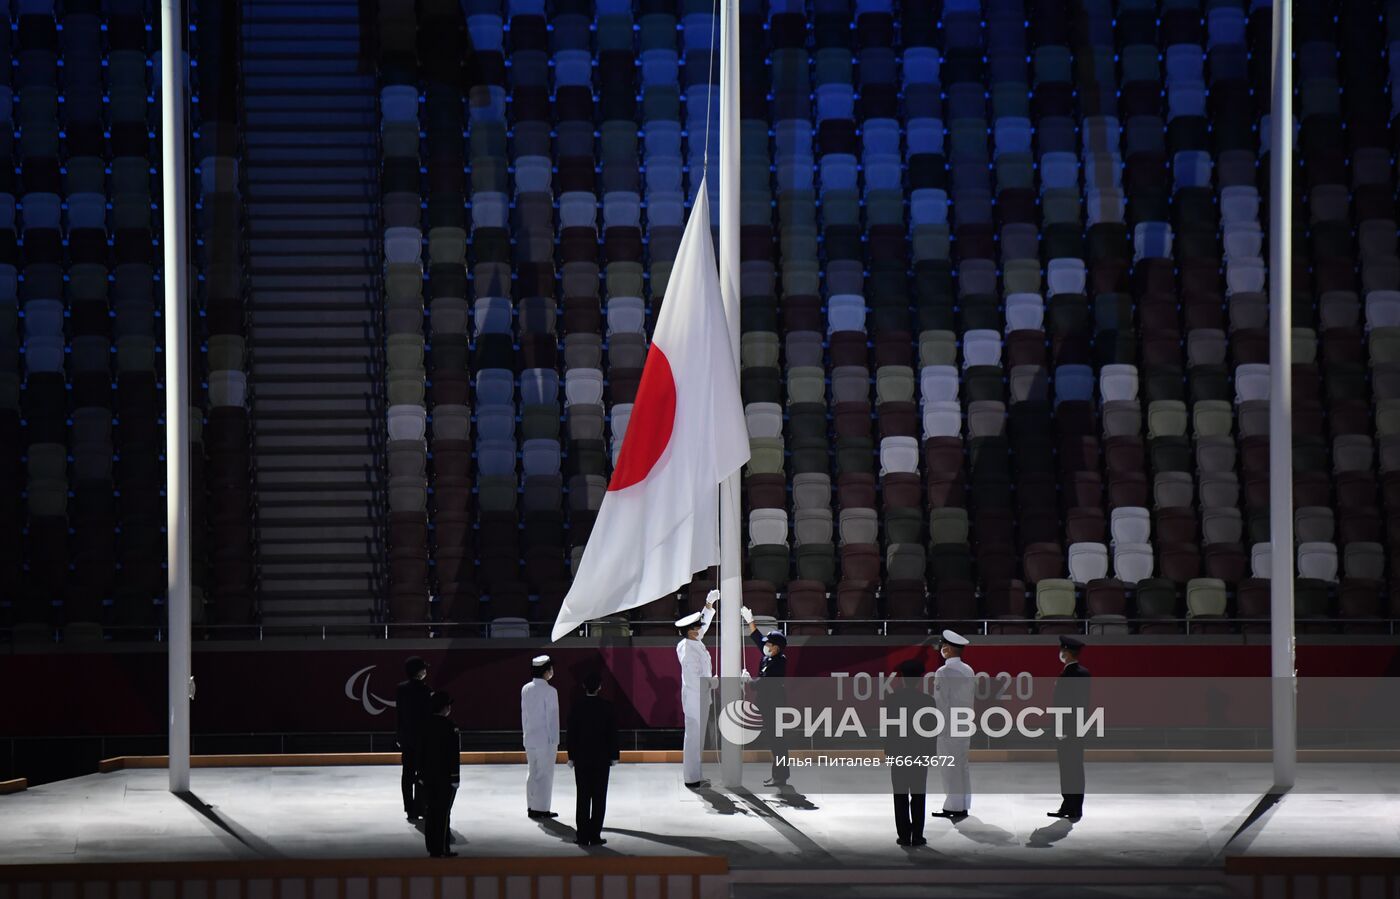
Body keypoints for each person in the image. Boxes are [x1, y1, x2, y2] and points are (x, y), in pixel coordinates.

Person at [884, 659, 933, 846]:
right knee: (919, 795)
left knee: (900, 795)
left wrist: (888, 751)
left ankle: (904, 835)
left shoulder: (892, 699)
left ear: (903, 678)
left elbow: (888, 729)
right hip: (920, 754)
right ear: (920, 679)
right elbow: (931, 731)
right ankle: (918, 835)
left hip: (899, 754)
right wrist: (930, 754)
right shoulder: (928, 701)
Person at [566, 670, 618, 846]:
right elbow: (612, 734)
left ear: (583, 687)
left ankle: (582, 835)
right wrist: (614, 756)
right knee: (599, 797)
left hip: (581, 758)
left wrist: (571, 756)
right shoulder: (607, 706)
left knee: (582, 797)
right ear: (600, 687)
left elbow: (571, 734)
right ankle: (595, 835)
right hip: (601, 759)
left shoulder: (577, 706)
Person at [744, 607, 790, 787]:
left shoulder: (779, 662)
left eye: (769, 644)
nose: (765, 646)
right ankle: (780, 775)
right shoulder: (769, 656)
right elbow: (758, 639)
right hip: (767, 705)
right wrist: (750, 621)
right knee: (774, 740)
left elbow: (764, 683)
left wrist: (749, 681)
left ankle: (780, 776)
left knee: (777, 741)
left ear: (776, 648)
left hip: (774, 705)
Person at [931, 629, 974, 821]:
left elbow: (941, 702)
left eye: (942, 646)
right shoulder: (968, 669)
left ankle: (953, 806)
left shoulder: (943, 672)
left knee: (949, 767)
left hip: (948, 725)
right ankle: (963, 804)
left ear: (947, 649)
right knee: (962, 766)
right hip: (964, 723)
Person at [676, 592, 717, 788]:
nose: (701, 629)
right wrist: (712, 682)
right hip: (695, 698)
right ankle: (692, 778)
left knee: (697, 740)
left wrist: (708, 605)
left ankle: (696, 775)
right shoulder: (688, 649)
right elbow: (694, 679)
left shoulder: (692, 641)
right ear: (691, 631)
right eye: (697, 627)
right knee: (693, 739)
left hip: (699, 698)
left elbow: (705, 625)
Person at [1049, 636, 1091, 820]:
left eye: (1062, 650)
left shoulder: (1068, 675)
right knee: (1073, 768)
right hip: (1078, 727)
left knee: (1069, 768)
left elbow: (1066, 705)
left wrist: (1061, 729)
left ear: (1065, 652)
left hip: (1067, 729)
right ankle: (1071, 805)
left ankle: (1072, 806)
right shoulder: (1084, 673)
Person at [418, 691, 460, 857]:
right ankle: (441, 848)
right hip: (444, 778)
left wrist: (420, 775)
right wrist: (455, 778)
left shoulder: (424, 725)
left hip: (428, 777)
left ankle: (432, 847)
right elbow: (453, 755)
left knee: (431, 812)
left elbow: (420, 752)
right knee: (443, 813)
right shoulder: (450, 727)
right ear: (444, 708)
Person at [521, 654, 560, 818]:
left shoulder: (526, 688)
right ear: (546, 671)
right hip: (546, 739)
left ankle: (531, 806)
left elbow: (524, 715)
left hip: (530, 737)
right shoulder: (551, 691)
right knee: (545, 774)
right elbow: (552, 718)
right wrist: (555, 740)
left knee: (531, 771)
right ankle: (541, 808)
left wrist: (525, 734)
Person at [395, 656, 432, 822]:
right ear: (418, 671)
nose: (426, 671)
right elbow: (427, 717)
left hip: (406, 737)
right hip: (422, 738)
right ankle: (420, 806)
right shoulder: (426, 690)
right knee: (422, 773)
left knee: (407, 774)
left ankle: (409, 808)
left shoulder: (400, 689)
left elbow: (399, 715)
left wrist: (399, 735)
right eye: (423, 668)